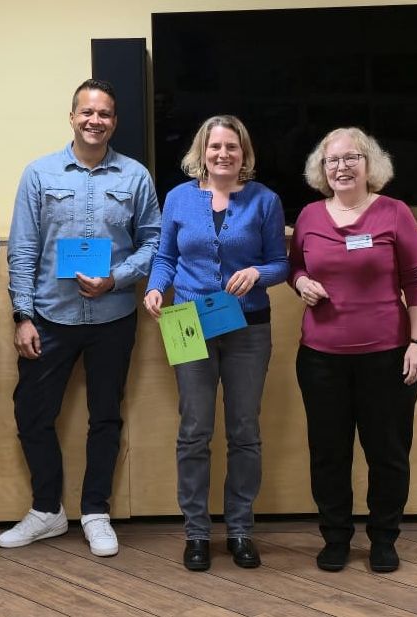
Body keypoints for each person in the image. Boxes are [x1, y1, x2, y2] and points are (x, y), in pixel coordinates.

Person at [0, 79, 161, 557]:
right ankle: (47, 510)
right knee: (32, 415)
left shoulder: (135, 176)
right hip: (50, 317)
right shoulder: (39, 174)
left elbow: (152, 242)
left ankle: (95, 511)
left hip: (113, 316)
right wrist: (22, 316)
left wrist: (117, 277)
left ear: (115, 122)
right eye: (87, 112)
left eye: (105, 114)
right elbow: (24, 249)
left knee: (105, 417)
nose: (95, 121)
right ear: (72, 117)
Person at [144, 115, 288, 571]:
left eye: (232, 147)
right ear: (201, 152)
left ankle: (241, 529)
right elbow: (166, 256)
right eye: (214, 147)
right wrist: (154, 287)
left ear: (244, 153)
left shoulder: (265, 200)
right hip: (188, 322)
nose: (223, 154)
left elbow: (280, 264)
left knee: (244, 431)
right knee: (194, 431)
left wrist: (258, 273)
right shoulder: (178, 199)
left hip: (249, 328)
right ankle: (197, 533)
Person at [289, 127, 417, 573]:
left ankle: (384, 539)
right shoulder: (310, 215)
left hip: (387, 356)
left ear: (371, 164)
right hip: (320, 359)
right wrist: (300, 283)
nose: (342, 167)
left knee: (387, 453)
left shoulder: (395, 213)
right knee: (328, 453)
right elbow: (296, 266)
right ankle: (336, 537)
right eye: (332, 160)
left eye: (352, 158)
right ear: (321, 168)